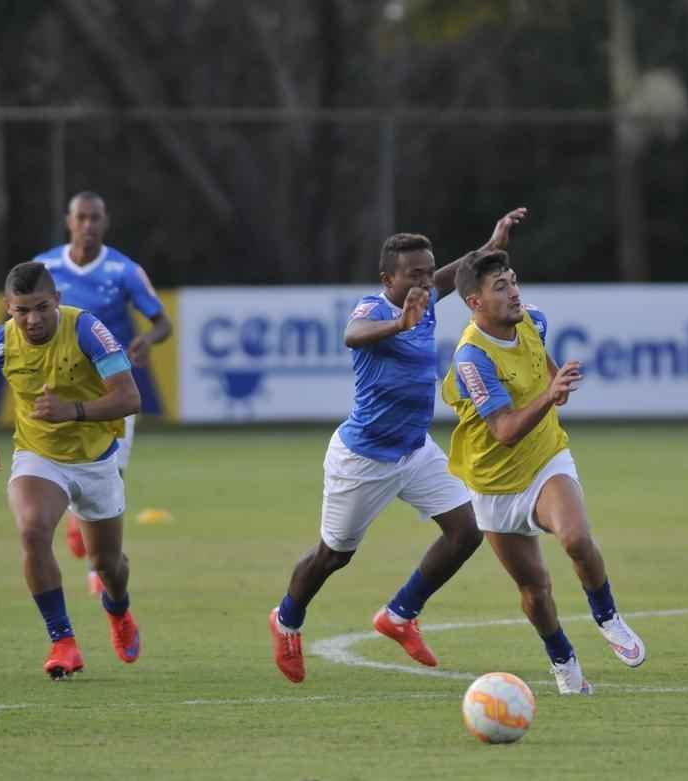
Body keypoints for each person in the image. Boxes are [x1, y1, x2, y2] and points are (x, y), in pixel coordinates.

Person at [268, 208, 527, 684]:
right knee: (334, 556)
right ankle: (286, 619)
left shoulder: (425, 298)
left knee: (467, 531)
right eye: (413, 275)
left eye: (428, 272)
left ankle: (400, 614)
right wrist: (400, 325)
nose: (424, 282)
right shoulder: (374, 310)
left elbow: (454, 274)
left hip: (415, 450)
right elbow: (353, 335)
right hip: (364, 457)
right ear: (388, 279)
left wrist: (491, 245)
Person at [441, 248, 646, 695]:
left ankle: (607, 616)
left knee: (575, 538)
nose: (514, 292)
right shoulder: (472, 358)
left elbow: (543, 367)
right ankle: (563, 660)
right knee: (535, 588)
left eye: (513, 280)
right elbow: (504, 431)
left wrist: (557, 384)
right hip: (492, 484)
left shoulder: (533, 319)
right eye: (501, 287)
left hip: (545, 458)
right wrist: (550, 396)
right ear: (475, 302)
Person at [0, 261, 143, 679]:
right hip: (38, 455)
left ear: (57, 301)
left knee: (108, 565)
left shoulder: (87, 330)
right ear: (8, 307)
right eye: (22, 310)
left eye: (42, 308)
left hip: (96, 459)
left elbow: (130, 398)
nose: (32, 319)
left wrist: (73, 410)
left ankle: (118, 609)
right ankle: (62, 641)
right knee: (32, 530)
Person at [33, 191, 173, 595]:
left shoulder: (124, 271)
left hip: (112, 391)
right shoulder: (44, 267)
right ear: (69, 221)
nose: (88, 225)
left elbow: (163, 323)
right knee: (57, 467)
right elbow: (21, 317)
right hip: (60, 391)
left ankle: (100, 564)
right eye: (81, 218)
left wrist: (147, 340)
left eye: (95, 218)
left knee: (112, 473)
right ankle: (77, 517)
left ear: (104, 221)